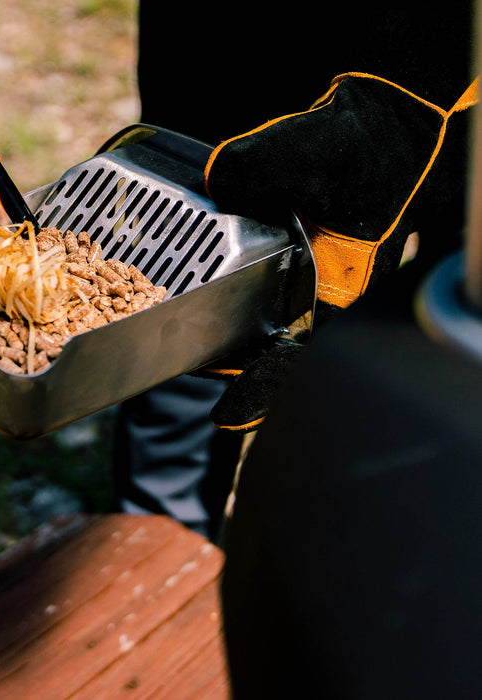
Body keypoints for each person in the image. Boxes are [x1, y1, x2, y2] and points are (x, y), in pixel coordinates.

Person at [120, 1, 480, 695]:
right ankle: (154, 573)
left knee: (438, 322)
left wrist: (428, 64)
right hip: (226, 42)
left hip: (448, 49)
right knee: (195, 256)